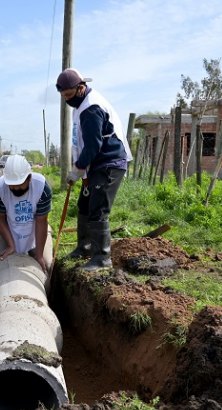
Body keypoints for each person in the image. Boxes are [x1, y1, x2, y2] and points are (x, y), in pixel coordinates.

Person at [56, 68, 132, 271]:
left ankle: (102, 258)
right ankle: (85, 247)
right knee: (84, 205)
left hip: (109, 163)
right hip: (96, 164)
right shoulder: (79, 106)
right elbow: (80, 143)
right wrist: (85, 177)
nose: (67, 100)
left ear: (81, 88)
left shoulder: (91, 108)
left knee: (98, 209)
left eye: (69, 95)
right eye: (64, 96)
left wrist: (77, 170)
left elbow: (92, 146)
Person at [0, 155, 53, 272]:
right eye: (11, 185)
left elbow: (41, 221)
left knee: (47, 264)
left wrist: (39, 255)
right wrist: (11, 246)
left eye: (19, 185)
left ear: (29, 178)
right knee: (1, 265)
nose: (15, 188)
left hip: (35, 230)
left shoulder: (42, 187)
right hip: (8, 230)